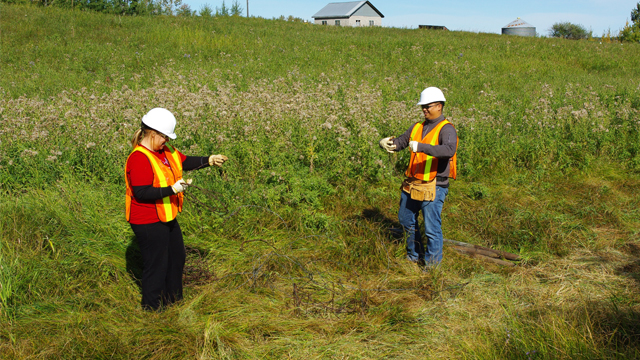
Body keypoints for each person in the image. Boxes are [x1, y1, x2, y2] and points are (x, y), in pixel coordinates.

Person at [125, 107, 228, 311]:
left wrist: (208, 160)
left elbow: (184, 161)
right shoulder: (139, 158)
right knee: (157, 265)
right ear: (153, 133)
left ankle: (173, 302)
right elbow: (142, 193)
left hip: (166, 215)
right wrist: (172, 189)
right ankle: (152, 310)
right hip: (146, 220)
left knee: (177, 257)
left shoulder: (166, 151)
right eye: (165, 137)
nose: (168, 141)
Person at [379, 87, 458, 269]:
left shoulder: (446, 129)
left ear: (439, 106)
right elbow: (401, 142)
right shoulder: (417, 126)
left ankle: (432, 268)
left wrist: (421, 146)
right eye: (422, 106)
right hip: (412, 183)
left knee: (431, 229)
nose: (424, 109)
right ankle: (414, 256)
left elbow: (449, 150)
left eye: (427, 106)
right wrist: (387, 143)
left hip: (434, 185)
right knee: (406, 219)